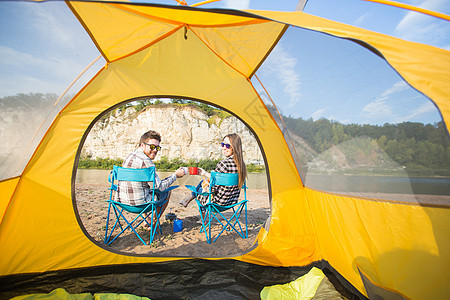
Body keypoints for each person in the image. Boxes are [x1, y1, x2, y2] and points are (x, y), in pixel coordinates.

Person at [116, 130, 186, 224]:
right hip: (140, 205)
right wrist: (175, 175)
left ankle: (146, 219)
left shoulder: (129, 157)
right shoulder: (147, 162)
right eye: (152, 146)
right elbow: (160, 187)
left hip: (122, 202)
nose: (155, 150)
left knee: (144, 188)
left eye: (157, 147)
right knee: (167, 191)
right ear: (142, 145)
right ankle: (153, 220)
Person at [179, 133, 247, 208]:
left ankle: (202, 218)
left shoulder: (223, 164)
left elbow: (213, 188)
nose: (224, 148)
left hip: (217, 203)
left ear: (235, 147)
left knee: (202, 187)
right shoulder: (242, 165)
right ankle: (187, 199)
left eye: (228, 146)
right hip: (232, 202)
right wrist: (206, 174)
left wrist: (205, 179)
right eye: (222, 144)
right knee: (205, 181)